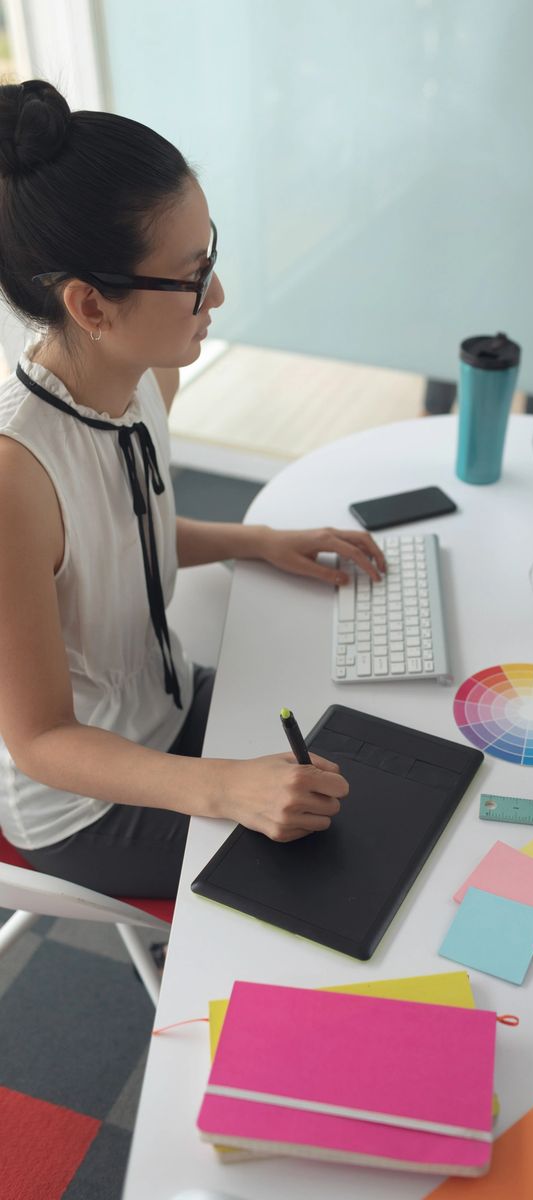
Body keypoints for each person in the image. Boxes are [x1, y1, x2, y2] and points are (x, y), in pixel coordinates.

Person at [0, 79, 386, 898]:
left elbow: (116, 538)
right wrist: (226, 788)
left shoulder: (142, 378)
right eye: (191, 275)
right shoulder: (12, 478)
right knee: (331, 873)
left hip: (167, 710)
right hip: (82, 798)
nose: (218, 295)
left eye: (211, 254)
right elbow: (39, 739)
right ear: (89, 305)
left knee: (368, 767)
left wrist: (257, 541)